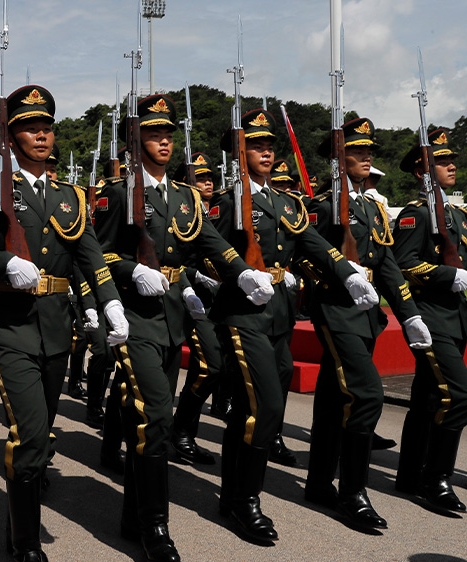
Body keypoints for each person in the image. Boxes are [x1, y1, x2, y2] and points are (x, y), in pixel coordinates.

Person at [94, 95, 271, 559]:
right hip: (135, 317)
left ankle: (134, 517)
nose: (165, 141)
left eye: (168, 133)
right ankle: (155, 527)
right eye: (154, 134)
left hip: (172, 317)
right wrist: (130, 270)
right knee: (156, 419)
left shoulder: (184, 195)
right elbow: (97, 254)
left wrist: (241, 270)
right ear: (134, 140)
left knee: (150, 420)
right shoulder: (117, 193)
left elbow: (211, 241)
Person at [0, 85, 127, 562]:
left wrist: (108, 302)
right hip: (11, 327)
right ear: (11, 137)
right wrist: (5, 263)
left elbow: (90, 255)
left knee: (44, 434)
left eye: (47, 127)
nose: (42, 135)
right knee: (29, 436)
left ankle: (24, 500)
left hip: (56, 327)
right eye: (31, 128)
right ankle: (24, 540)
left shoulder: (70, 195)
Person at [208, 109, 372, 543]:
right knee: (266, 409)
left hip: (279, 311)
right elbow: (205, 249)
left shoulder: (287, 202)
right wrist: (239, 272)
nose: (266, 151)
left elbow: (313, 244)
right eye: (256, 145)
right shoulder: (228, 201)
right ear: (238, 153)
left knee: (251, 410)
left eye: (270, 145)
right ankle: (247, 503)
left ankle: (230, 493)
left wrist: (346, 271)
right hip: (243, 313)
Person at [304, 116, 431, 531]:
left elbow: (390, 263)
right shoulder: (325, 206)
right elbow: (304, 256)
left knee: (332, 397)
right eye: (357, 151)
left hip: (368, 314)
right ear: (338, 158)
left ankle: (319, 481)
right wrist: (343, 273)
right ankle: (352, 492)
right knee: (367, 396)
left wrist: (409, 312)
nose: (367, 156)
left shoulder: (372, 207)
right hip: (337, 310)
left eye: (368, 150)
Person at [392, 128, 467, 513]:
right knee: (458, 396)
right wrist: (446, 274)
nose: (451, 164)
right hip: (433, 318)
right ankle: (437, 478)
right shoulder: (416, 214)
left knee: (426, 398)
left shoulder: (456, 213)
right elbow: (403, 265)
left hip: (457, 319)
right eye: (441, 161)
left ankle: (408, 474)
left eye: (451, 159)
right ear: (423, 170)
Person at [169, 152, 227, 465]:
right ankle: (178, 431)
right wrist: (195, 278)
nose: (207, 183)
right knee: (210, 366)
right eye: (199, 178)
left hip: (217, 300)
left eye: (209, 178)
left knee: (206, 368)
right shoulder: (180, 210)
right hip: (188, 296)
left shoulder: (217, 210)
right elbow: (173, 258)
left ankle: (185, 434)